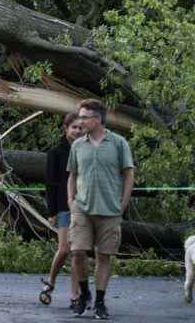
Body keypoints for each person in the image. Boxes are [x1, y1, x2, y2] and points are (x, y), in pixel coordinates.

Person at [68, 99, 134, 320]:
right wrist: (71, 200)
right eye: (80, 117)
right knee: (77, 252)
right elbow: (72, 175)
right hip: (82, 208)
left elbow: (128, 174)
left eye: (85, 117)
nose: (81, 121)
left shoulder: (118, 143)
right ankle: (84, 294)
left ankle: (100, 302)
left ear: (97, 119)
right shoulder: (77, 145)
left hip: (110, 209)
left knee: (103, 256)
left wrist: (123, 203)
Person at [40, 112, 84, 308]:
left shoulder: (87, 150)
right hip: (63, 207)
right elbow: (50, 183)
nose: (77, 131)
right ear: (65, 128)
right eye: (73, 127)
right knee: (65, 249)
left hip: (83, 207)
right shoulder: (56, 152)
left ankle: (75, 295)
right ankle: (50, 282)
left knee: (78, 252)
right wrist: (51, 212)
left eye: (80, 127)